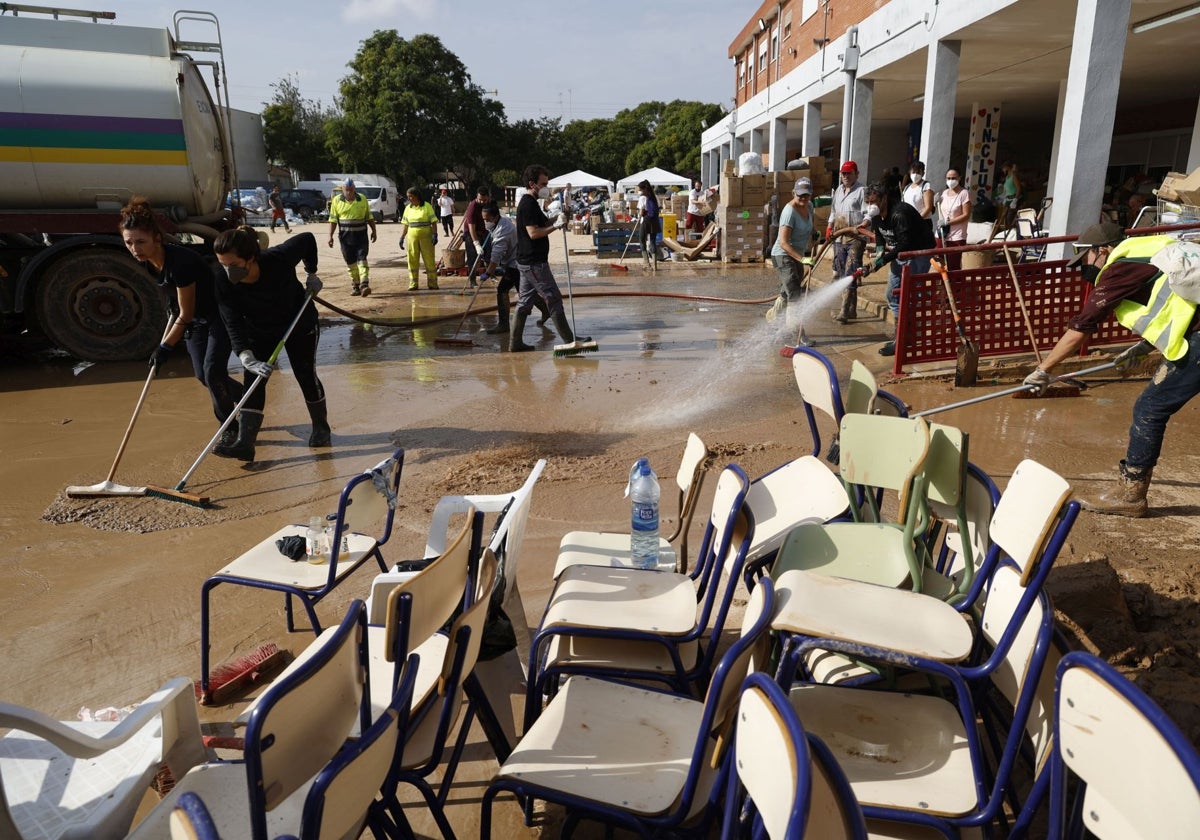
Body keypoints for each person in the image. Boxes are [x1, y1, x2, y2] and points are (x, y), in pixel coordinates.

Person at [1022, 222, 1200, 517]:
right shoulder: (1147, 250)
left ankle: (1131, 497)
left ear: (1102, 250)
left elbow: (1082, 326)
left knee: (1150, 407)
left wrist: (1043, 370)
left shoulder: (1118, 269)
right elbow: (1171, 301)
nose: (1086, 267)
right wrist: (1143, 346)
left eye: (1087, 259)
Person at [119, 197, 242, 447]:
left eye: (140, 242)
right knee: (202, 375)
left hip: (220, 315)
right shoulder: (151, 261)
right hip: (197, 319)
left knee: (212, 371)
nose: (135, 249)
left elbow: (184, 314)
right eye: (129, 242)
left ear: (157, 238)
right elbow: (179, 306)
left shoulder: (180, 264)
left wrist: (164, 347)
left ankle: (229, 426)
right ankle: (246, 398)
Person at [212, 227, 327, 461]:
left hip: (298, 323)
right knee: (253, 380)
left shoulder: (277, 258)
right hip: (259, 330)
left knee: (305, 374)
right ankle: (245, 443)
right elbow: (231, 319)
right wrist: (245, 355)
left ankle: (321, 428)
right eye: (223, 264)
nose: (227, 271)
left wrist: (312, 273)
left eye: (233, 265)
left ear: (251, 258)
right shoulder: (223, 279)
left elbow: (307, 239)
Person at [511, 164, 585, 352]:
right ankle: (570, 341)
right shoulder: (527, 204)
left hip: (526, 261)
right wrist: (556, 226)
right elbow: (534, 233)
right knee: (552, 297)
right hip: (533, 263)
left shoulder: (532, 204)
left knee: (525, 301)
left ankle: (515, 343)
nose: (546, 187)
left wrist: (556, 218)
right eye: (543, 183)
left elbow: (541, 223)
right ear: (532, 184)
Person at [857, 181, 936, 356]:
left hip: (918, 252)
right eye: (868, 202)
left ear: (884, 198)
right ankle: (902, 337)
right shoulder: (877, 215)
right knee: (892, 294)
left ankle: (908, 339)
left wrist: (882, 261)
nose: (871, 206)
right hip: (902, 253)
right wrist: (879, 252)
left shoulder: (900, 213)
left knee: (910, 296)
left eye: (874, 202)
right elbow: (879, 234)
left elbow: (905, 244)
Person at [478, 201, 549, 335]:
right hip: (518, 260)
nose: (485, 222)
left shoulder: (502, 231)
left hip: (516, 263)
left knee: (503, 290)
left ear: (494, 217)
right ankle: (545, 310)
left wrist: (488, 273)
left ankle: (504, 324)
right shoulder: (501, 222)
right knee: (526, 292)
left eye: (486, 219)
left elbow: (496, 257)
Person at [770, 177, 816, 333]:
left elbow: (809, 225)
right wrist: (803, 259)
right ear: (793, 193)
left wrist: (815, 233)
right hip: (782, 255)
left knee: (788, 288)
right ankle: (796, 332)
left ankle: (774, 314)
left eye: (806, 195)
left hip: (797, 253)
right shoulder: (789, 212)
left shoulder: (809, 206)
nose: (803, 198)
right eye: (800, 195)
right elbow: (783, 242)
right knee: (794, 292)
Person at [827, 160, 867, 324]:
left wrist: (865, 224)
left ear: (856, 174)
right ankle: (852, 310)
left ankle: (844, 310)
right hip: (840, 237)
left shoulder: (862, 191)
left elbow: (868, 213)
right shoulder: (838, 191)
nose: (845, 176)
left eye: (849, 173)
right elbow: (833, 211)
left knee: (850, 272)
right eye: (843, 173)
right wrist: (829, 227)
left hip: (855, 237)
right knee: (841, 271)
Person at [327, 178, 376, 297]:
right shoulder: (337, 201)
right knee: (350, 262)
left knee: (362, 259)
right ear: (342, 189)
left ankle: (365, 284)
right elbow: (333, 220)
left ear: (354, 189)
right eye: (346, 190)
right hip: (345, 238)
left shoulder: (362, 199)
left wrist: (374, 231)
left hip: (361, 236)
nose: (349, 192)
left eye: (351, 190)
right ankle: (356, 285)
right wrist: (330, 236)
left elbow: (369, 217)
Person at [399, 187, 439, 291]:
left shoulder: (427, 206)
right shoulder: (408, 208)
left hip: (426, 237)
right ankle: (413, 283)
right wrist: (402, 237)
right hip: (412, 237)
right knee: (412, 259)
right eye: (408, 196)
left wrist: (435, 234)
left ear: (417, 196)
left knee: (429, 259)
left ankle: (432, 283)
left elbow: (433, 222)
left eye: (411, 196)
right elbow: (405, 225)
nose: (409, 198)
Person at [938, 168, 972, 272]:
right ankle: (942, 287)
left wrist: (948, 222)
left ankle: (955, 287)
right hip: (942, 234)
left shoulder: (964, 193)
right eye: (948, 178)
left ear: (959, 178)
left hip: (957, 235)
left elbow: (966, 215)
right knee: (941, 264)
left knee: (953, 266)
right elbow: (941, 212)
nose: (950, 180)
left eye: (953, 178)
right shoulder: (944, 193)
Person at [462, 186, 490, 287]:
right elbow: (471, 229)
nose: (482, 202)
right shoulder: (472, 207)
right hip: (471, 233)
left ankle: (491, 274)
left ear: (488, 197)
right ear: (476, 197)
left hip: (485, 231)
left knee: (489, 254)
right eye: (480, 200)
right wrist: (476, 244)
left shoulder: (490, 203)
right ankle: (472, 280)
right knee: (473, 257)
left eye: (484, 200)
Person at [636, 179, 661, 272]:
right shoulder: (655, 197)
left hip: (645, 221)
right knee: (652, 241)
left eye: (640, 189)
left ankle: (647, 264)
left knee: (642, 240)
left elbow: (642, 211)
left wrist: (640, 214)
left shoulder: (643, 198)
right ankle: (655, 265)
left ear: (643, 189)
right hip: (654, 221)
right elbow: (658, 208)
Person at [902, 161, 934, 228]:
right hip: (908, 223)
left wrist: (916, 220)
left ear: (923, 173)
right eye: (913, 172)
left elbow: (928, 208)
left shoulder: (926, 186)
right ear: (910, 172)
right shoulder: (907, 187)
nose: (915, 175)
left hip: (922, 223)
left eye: (918, 172)